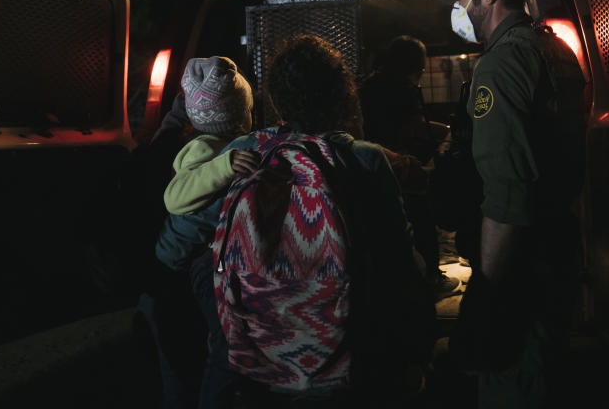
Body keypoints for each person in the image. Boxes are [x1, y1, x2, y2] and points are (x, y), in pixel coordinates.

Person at [163, 35, 434, 408]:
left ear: (274, 99)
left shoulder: (246, 152)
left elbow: (183, 230)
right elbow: (401, 258)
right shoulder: (366, 159)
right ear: (341, 95)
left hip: (262, 349)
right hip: (345, 347)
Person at [427, 0, 587, 408]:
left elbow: (507, 194)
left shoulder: (500, 66)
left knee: (512, 384)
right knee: (545, 371)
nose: (459, 10)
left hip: (520, 266)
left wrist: (486, 297)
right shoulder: (555, 50)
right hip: (557, 247)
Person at [143, 56, 257, 409]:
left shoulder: (233, 145)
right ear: (241, 112)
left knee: (195, 347)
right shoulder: (203, 149)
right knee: (186, 353)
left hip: (186, 263)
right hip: (170, 267)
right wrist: (223, 167)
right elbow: (175, 198)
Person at [359, 35, 457, 297]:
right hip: (399, 163)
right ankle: (431, 279)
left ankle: (400, 283)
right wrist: (449, 133)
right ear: (415, 65)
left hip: (371, 163)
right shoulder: (403, 88)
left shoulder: (369, 84)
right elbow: (415, 127)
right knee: (421, 218)